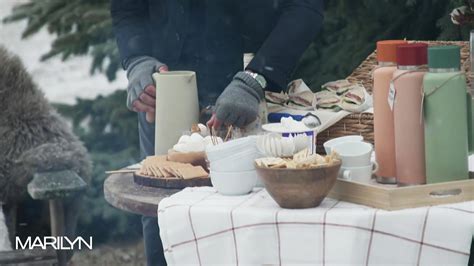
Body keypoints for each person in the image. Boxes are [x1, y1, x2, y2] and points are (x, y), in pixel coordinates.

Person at [111, 1, 324, 265]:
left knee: (253, 216)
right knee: (163, 213)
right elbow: (127, 8)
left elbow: (305, 7)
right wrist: (137, 59)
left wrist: (257, 77)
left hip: (255, 94)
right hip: (164, 92)